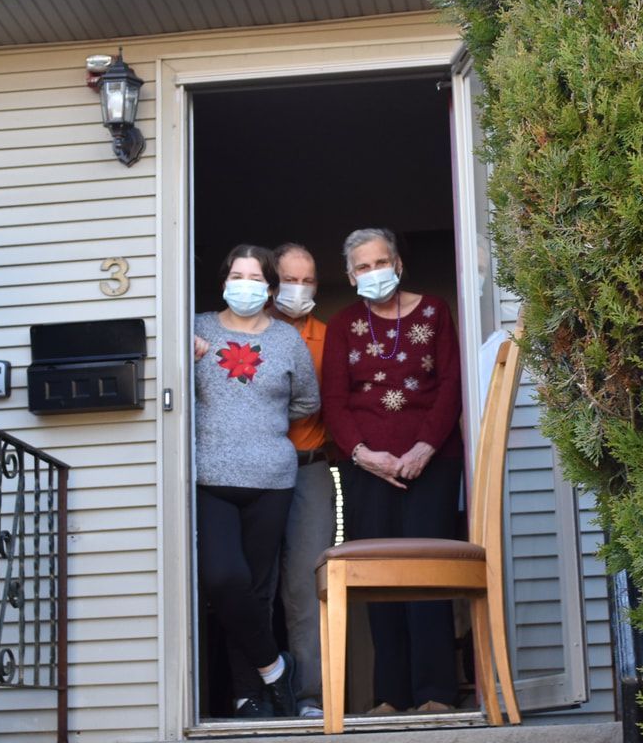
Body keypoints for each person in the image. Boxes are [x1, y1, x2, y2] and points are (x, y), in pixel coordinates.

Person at [321, 227, 463, 715]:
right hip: (365, 468)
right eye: (362, 267)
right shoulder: (341, 325)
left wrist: (423, 448)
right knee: (379, 577)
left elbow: (450, 386)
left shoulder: (434, 312)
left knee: (428, 574)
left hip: (433, 461)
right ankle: (390, 695)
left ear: (398, 264)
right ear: (349, 275)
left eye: (380, 263)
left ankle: (436, 692)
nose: (373, 273)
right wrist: (363, 455)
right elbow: (334, 402)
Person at [193, 243, 320, 718]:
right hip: (210, 477)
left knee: (258, 592)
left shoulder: (287, 340)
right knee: (224, 579)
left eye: (255, 278)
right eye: (237, 275)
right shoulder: (196, 328)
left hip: (272, 479)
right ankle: (274, 670)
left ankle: (248, 696)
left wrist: (257, 423)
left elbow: (307, 401)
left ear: (269, 287)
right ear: (225, 280)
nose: (245, 285)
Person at [270, 242, 333, 719]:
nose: (299, 288)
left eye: (307, 279)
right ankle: (253, 695)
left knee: (307, 586)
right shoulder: (243, 332)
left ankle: (310, 697)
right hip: (254, 473)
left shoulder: (329, 337)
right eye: (289, 278)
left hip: (311, 468)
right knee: (254, 585)